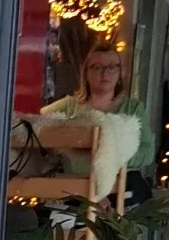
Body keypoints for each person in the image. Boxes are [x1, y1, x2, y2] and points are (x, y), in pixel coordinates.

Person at [39, 43, 152, 199]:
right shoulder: (69, 106)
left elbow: (148, 152)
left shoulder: (133, 109)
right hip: (74, 189)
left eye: (112, 67)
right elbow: (35, 126)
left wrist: (113, 157)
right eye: (97, 67)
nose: (105, 73)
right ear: (86, 73)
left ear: (120, 72)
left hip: (122, 188)